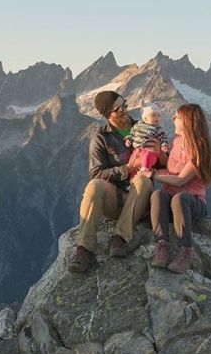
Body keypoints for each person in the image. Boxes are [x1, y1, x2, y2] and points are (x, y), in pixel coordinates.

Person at [68, 90, 167, 273]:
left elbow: (168, 166)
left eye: (125, 105)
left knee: (144, 182)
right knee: (94, 186)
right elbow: (96, 174)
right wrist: (128, 168)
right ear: (107, 114)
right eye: (118, 108)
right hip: (115, 198)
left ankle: (120, 238)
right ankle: (85, 248)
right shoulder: (101, 137)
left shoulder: (146, 126)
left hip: (141, 201)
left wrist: (161, 154)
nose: (124, 110)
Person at [140, 103, 211, 274]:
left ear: (188, 121)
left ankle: (185, 250)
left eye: (177, 117)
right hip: (171, 198)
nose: (173, 119)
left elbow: (181, 180)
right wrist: (160, 153)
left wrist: (152, 175)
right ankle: (162, 245)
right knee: (158, 194)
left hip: (192, 202)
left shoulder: (199, 147)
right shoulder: (176, 140)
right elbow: (172, 167)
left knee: (180, 198)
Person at [124, 100, 169, 175]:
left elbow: (163, 137)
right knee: (132, 160)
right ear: (145, 118)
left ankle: (145, 169)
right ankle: (132, 176)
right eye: (153, 115)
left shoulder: (157, 128)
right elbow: (132, 133)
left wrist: (164, 145)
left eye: (158, 115)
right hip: (137, 149)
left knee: (147, 156)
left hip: (149, 150)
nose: (157, 118)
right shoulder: (138, 125)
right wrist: (129, 139)